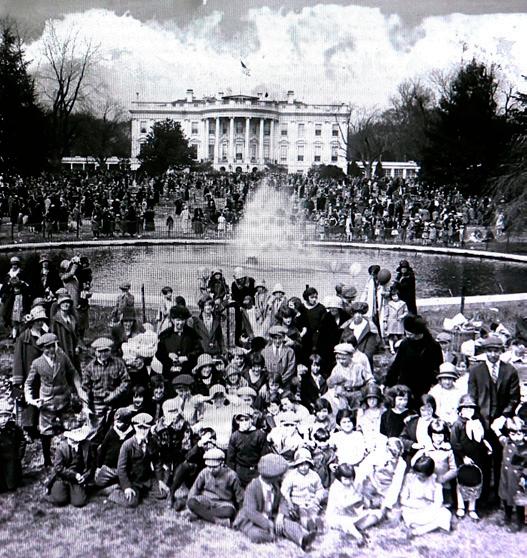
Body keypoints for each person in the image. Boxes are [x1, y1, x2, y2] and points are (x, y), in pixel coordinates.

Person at [468, 334, 521, 497]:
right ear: (485, 352)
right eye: (489, 351)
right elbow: (471, 397)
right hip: (481, 422)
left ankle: (499, 495)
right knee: (482, 459)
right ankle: (482, 495)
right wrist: (474, 419)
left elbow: (514, 398)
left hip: (501, 424)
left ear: (501, 351)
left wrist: (504, 416)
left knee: (501, 459)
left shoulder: (509, 370)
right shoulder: (476, 371)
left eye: (496, 351)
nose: (493, 354)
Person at [233, 454, 317, 551]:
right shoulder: (253, 487)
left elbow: (283, 500)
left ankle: (302, 540)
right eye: (280, 475)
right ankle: (273, 534)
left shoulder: (275, 485)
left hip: (271, 516)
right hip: (252, 521)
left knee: (288, 524)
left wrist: (281, 515)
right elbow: (250, 511)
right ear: (271, 476)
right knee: (256, 534)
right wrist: (268, 524)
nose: (281, 477)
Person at [24, 333, 83, 467]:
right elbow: (28, 384)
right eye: (48, 347)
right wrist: (31, 400)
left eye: (53, 346)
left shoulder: (62, 357)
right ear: (42, 349)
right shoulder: (37, 363)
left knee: (71, 427)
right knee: (46, 432)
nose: (51, 350)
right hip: (47, 403)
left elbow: (73, 372)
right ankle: (47, 461)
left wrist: (79, 389)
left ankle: (72, 457)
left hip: (64, 399)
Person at [109, 413, 167, 507]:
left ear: (149, 428)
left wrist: (160, 480)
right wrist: (127, 487)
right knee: (131, 502)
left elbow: (157, 462)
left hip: (147, 479)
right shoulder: (127, 445)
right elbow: (121, 469)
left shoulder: (152, 442)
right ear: (134, 427)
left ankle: (142, 492)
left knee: (163, 493)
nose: (142, 431)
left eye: (146, 428)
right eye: (139, 428)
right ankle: (113, 491)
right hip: (133, 480)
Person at [450, 394, 493, 518]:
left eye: (471, 408)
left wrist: (486, 446)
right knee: (461, 480)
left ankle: (472, 507)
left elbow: (481, 438)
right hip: (462, 457)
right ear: (460, 410)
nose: (469, 410)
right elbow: (454, 443)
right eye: (465, 408)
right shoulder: (457, 424)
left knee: (474, 481)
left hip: (476, 456)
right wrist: (463, 457)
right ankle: (461, 506)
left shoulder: (478, 423)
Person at [385, 315, 443, 404]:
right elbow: (396, 365)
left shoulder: (433, 346)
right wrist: (388, 383)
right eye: (406, 333)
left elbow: (438, 368)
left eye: (410, 334)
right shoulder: (405, 344)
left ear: (418, 333)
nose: (407, 336)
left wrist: (434, 384)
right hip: (405, 385)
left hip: (424, 386)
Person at [12, 306, 48, 439]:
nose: (40, 323)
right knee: (28, 400)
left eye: (42, 320)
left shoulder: (45, 336)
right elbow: (18, 358)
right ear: (32, 321)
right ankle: (28, 429)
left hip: (43, 374)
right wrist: (18, 379)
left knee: (41, 398)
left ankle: (39, 425)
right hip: (28, 374)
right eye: (38, 320)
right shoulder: (24, 337)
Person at [187, 447, 244, 526]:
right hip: (206, 499)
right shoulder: (205, 472)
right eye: (209, 467)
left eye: (214, 467)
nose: (211, 470)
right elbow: (195, 489)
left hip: (223, 503)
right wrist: (190, 503)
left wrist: (241, 513)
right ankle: (216, 520)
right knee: (191, 502)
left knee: (230, 511)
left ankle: (200, 515)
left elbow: (240, 497)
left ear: (222, 464)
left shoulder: (232, 475)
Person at [81, 338, 130, 426]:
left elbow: (126, 381)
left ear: (110, 351)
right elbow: (85, 387)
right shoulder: (90, 368)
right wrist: (87, 405)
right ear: (95, 352)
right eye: (100, 351)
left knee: (116, 426)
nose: (103, 354)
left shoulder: (118, 363)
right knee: (98, 428)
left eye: (106, 351)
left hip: (115, 402)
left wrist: (114, 394)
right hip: (97, 405)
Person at [400, 455, 452, 538]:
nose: (419, 477)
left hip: (429, 510)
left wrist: (430, 508)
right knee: (409, 517)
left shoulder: (435, 480)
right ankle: (431, 526)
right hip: (412, 509)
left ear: (429, 474)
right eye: (418, 474)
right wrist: (418, 505)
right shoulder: (409, 478)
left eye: (423, 476)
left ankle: (416, 531)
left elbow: (438, 502)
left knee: (446, 514)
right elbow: (403, 500)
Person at [47, 423, 94, 508]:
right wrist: (74, 475)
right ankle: (58, 488)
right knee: (60, 500)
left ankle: (75, 490)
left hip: (79, 477)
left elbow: (91, 464)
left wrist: (85, 476)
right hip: (62, 477)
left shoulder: (87, 444)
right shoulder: (61, 447)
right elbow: (58, 467)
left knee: (79, 502)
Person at [281, 447, 325, 534]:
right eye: (300, 465)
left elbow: (320, 489)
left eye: (306, 464)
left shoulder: (314, 475)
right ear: (296, 465)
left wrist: (316, 500)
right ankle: (307, 530)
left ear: (310, 464)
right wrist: (289, 502)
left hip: (311, 502)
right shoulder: (291, 476)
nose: (303, 467)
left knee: (313, 513)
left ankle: (315, 526)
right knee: (303, 514)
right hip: (297, 502)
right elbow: (284, 490)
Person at [226, 407, 269, 487]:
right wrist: (232, 475)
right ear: (238, 422)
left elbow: (264, 456)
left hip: (256, 471)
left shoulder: (260, 435)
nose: (244, 422)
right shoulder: (235, 436)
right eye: (241, 420)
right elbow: (230, 459)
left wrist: (263, 472)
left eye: (246, 419)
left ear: (251, 420)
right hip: (240, 472)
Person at [155, 305, 201, 379]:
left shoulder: (192, 334)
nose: (180, 323)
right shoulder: (165, 335)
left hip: (187, 372)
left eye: (183, 320)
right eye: (178, 320)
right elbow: (159, 353)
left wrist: (186, 358)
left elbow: (199, 351)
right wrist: (169, 356)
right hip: (169, 373)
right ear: (172, 320)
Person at [498, 416, 527, 532]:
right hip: (505, 475)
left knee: (519, 499)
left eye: (519, 433)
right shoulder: (506, 442)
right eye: (512, 433)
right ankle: (507, 517)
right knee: (505, 496)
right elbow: (496, 430)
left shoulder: (524, 447)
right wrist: (504, 418)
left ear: (524, 434)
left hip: (518, 477)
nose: (515, 436)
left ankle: (519, 522)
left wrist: (524, 475)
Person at [94, 407, 134, 490]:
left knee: (129, 483)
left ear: (127, 423)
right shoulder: (112, 431)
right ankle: (115, 485)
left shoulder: (132, 433)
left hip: (125, 468)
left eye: (119, 422)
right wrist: (99, 467)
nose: (116, 424)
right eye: (115, 421)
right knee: (98, 482)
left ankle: (118, 484)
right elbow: (103, 449)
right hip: (109, 467)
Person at [340, 302, 379, 370]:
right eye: (355, 313)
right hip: (349, 361)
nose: (358, 315)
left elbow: (370, 349)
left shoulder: (370, 328)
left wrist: (360, 360)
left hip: (363, 363)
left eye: (360, 313)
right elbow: (343, 343)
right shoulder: (348, 327)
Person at [0, 400, 26, 493]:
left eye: (5, 416)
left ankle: (12, 483)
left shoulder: (14, 428)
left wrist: (19, 455)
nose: (3, 419)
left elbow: (22, 441)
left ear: (9, 417)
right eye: (1, 417)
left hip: (12, 458)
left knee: (12, 481)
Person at [261, 325, 296, 389]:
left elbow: (291, 369)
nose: (277, 341)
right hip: (269, 385)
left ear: (283, 337)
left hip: (285, 385)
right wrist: (270, 382)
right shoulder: (265, 352)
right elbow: (263, 369)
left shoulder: (289, 351)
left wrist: (280, 382)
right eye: (275, 338)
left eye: (280, 338)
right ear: (271, 338)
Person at [383, 288, 408, 353]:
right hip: (391, 322)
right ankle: (392, 349)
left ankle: (400, 348)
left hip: (399, 322)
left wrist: (402, 316)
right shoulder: (389, 304)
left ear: (398, 296)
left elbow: (406, 312)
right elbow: (386, 314)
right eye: (393, 296)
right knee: (391, 336)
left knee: (401, 336)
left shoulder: (403, 303)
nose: (394, 298)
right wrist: (385, 322)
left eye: (396, 296)